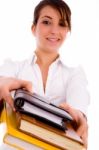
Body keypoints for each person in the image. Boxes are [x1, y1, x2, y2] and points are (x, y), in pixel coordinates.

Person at [0, 0, 89, 148]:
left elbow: (79, 102)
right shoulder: (13, 66)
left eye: (62, 24)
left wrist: (80, 117)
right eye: (47, 22)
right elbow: (3, 78)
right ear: (33, 28)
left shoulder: (75, 73)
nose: (54, 30)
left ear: (67, 31)